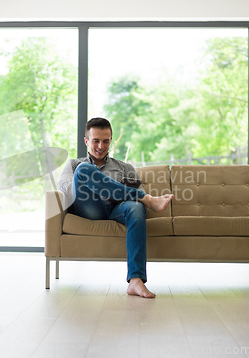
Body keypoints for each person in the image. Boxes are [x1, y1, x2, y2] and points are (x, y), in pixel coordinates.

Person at [57, 118, 173, 298]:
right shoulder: (74, 165)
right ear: (86, 141)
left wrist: (119, 194)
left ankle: (136, 280)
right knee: (84, 170)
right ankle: (147, 198)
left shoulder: (125, 168)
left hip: (116, 210)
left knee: (135, 207)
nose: (101, 146)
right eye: (96, 141)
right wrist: (96, 182)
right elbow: (66, 190)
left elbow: (143, 210)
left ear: (111, 140)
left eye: (106, 141)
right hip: (89, 209)